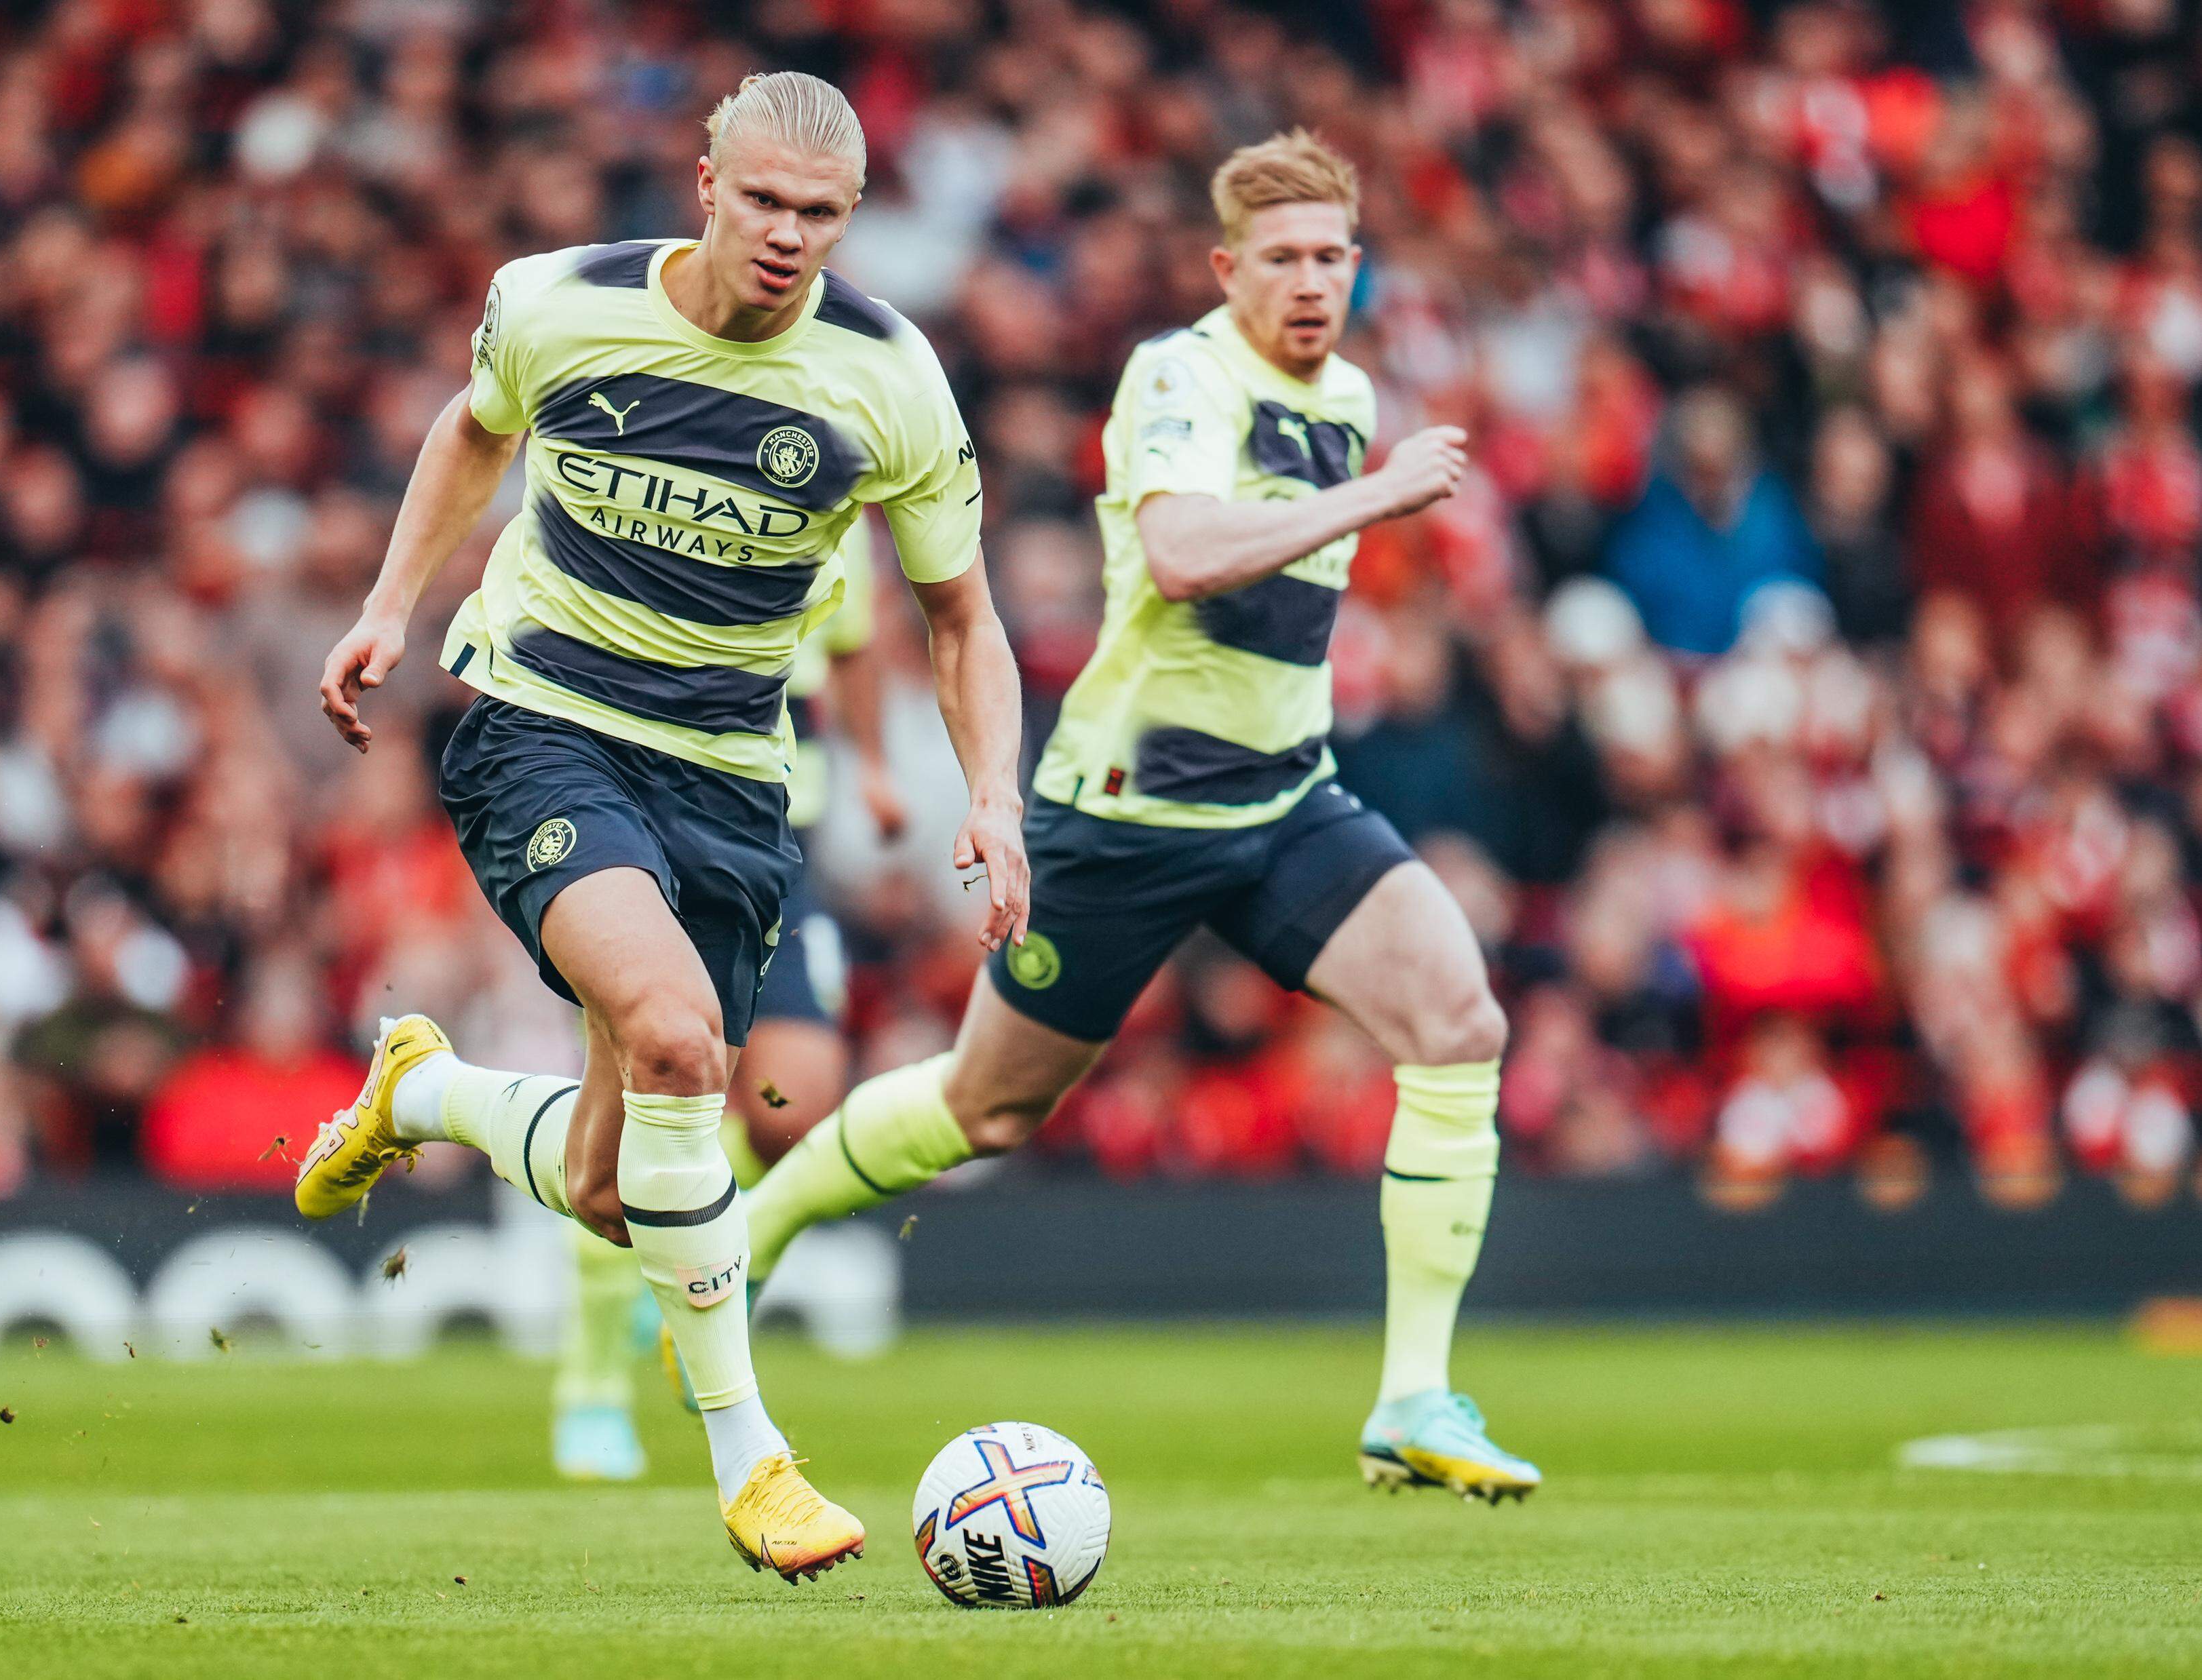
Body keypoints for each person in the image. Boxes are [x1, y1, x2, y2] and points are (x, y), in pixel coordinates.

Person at [292, 73, 1029, 1582]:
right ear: (705, 179)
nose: (785, 237)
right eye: (762, 201)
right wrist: (389, 606)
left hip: (730, 779)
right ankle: (753, 1460)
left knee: (614, 1188)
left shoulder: (886, 380)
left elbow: (960, 616)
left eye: (819, 217)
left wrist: (994, 796)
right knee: (687, 1041)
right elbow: (473, 427)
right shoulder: (557, 305)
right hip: (539, 725)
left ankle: (422, 1095)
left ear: (852, 221)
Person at [741, 129, 1543, 1502]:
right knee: (985, 1112)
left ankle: (1412, 1397)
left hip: (1287, 799)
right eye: (1280, 257)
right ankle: (744, 1243)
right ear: (1227, 268)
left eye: (1330, 256)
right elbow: (1177, 556)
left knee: (1458, 1023)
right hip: (1124, 814)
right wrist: (1376, 491)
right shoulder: (1178, 374)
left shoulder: (1349, 396)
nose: (1308, 282)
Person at [549, 523, 907, 1484]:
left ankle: (681, 1235)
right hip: (654, 826)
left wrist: (870, 762)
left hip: (779, 831)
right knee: (632, 1103)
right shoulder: (688, 471)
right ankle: (591, 1381)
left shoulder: (838, 499)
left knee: (798, 1098)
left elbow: (852, 645)